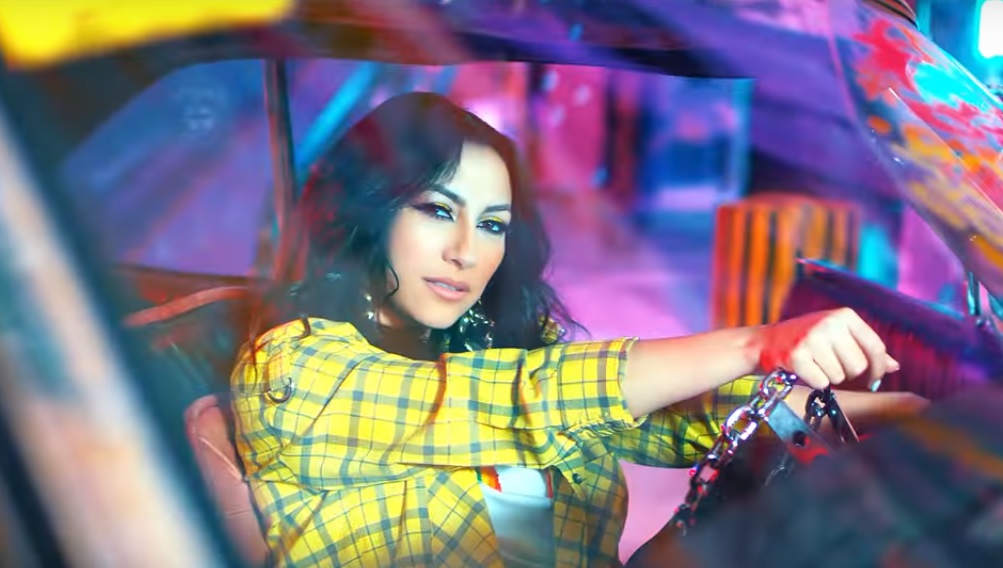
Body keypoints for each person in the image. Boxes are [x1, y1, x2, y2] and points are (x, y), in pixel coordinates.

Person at [231, 92, 927, 568]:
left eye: (493, 225)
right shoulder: (292, 371)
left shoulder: (492, 342)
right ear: (370, 211)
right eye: (438, 211)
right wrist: (755, 342)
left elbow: (677, 417)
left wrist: (900, 413)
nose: (467, 251)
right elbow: (524, 400)